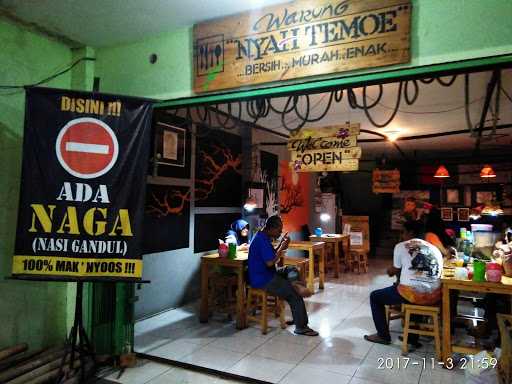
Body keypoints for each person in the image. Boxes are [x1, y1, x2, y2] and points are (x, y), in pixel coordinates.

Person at [364, 220, 443, 345]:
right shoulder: (434, 248)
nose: (402, 235)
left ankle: (383, 335)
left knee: (375, 296)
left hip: (413, 294)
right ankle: (412, 337)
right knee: (415, 288)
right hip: (434, 296)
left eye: (403, 232)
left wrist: (389, 271)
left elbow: (394, 270)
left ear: (410, 232)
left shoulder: (401, 246)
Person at [248, 215, 318, 336]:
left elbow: (270, 256)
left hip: (267, 274)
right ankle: (301, 327)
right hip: (264, 279)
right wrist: (282, 249)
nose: (281, 232)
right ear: (272, 228)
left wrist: (281, 245)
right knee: (294, 295)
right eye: (279, 229)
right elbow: (270, 262)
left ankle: (296, 285)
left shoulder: (262, 236)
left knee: (291, 268)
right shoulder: (262, 240)